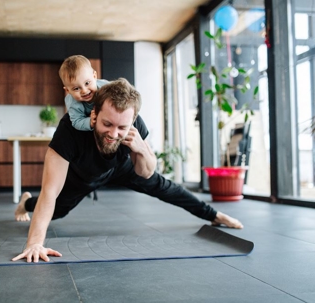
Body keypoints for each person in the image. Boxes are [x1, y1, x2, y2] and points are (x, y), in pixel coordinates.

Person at [12, 78, 243, 263]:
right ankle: (25, 203)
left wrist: (142, 149)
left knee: (165, 187)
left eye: (122, 127)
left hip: (121, 167)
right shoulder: (69, 130)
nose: (113, 134)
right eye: (107, 124)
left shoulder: (136, 127)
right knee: (57, 211)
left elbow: (147, 173)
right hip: (82, 175)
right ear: (94, 114)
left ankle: (213, 215)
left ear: (132, 121)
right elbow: (50, 192)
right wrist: (34, 243)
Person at [59, 55, 109, 131]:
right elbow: (77, 121)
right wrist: (90, 121)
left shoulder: (106, 87)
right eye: (76, 88)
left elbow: (121, 92)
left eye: (87, 83)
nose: (84, 91)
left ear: (94, 76)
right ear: (68, 91)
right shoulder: (73, 103)